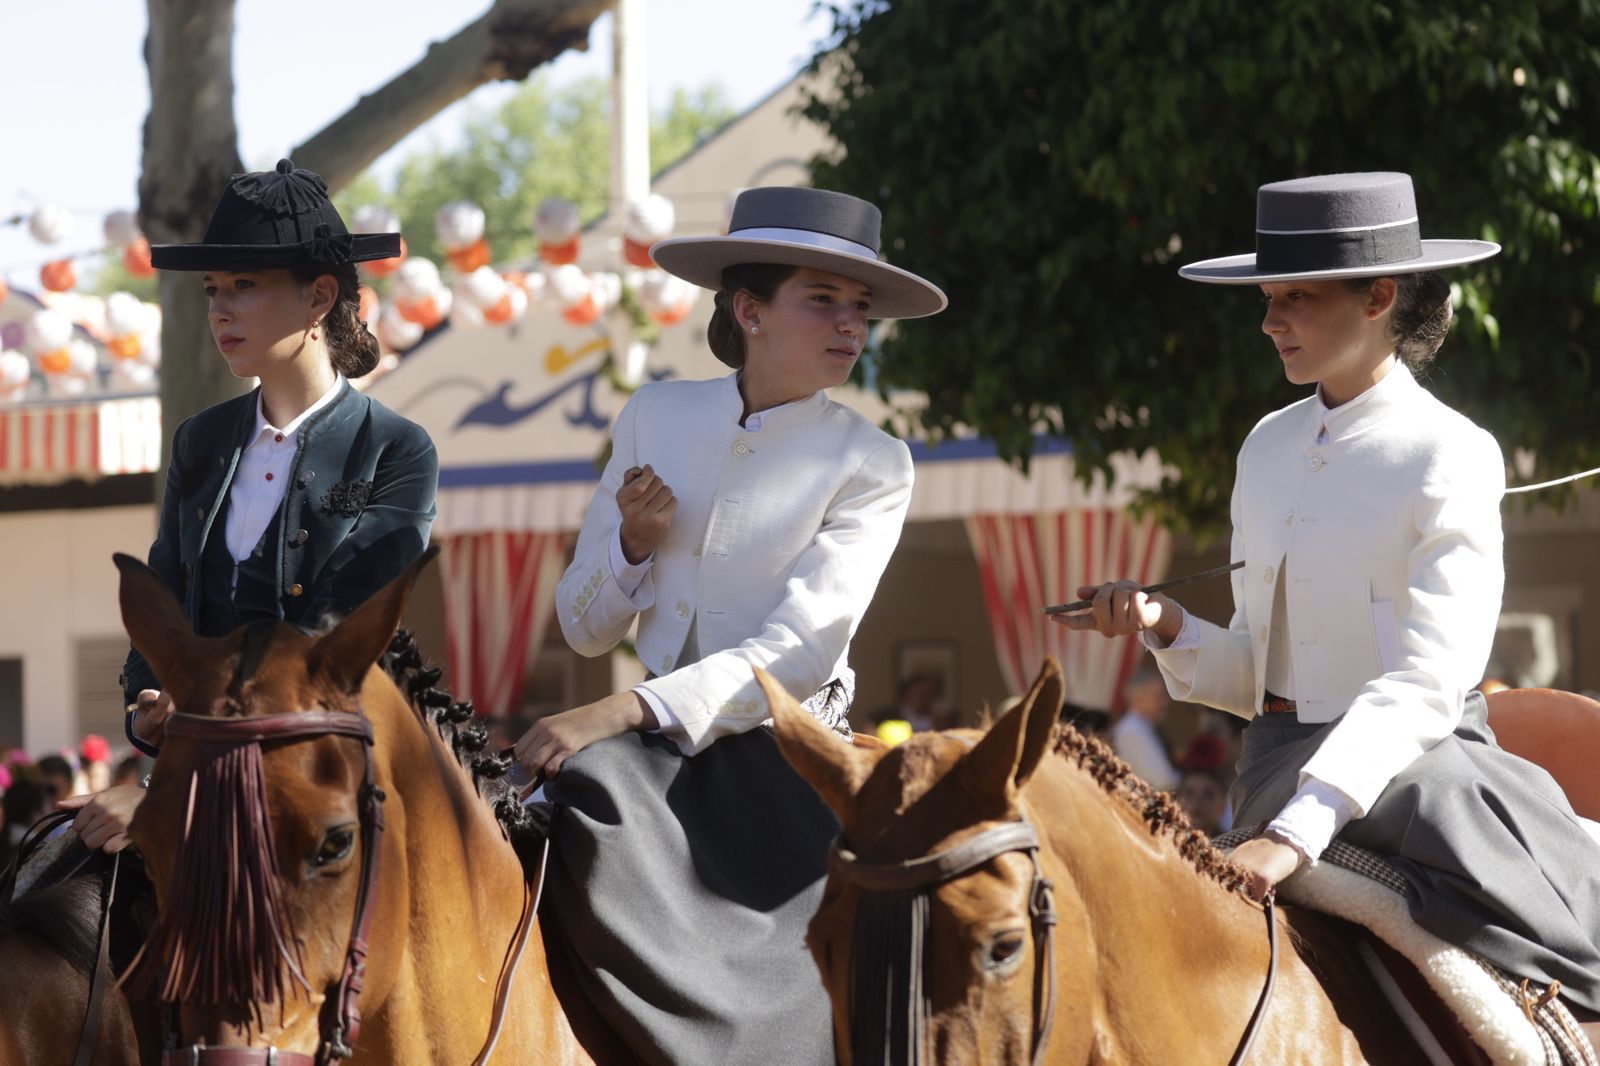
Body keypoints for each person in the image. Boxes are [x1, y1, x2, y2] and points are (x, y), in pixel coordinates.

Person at [1057, 172, 1600, 1018]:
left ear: (1381, 295)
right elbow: (1264, 680)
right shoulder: (1265, 449)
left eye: (1296, 299)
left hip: (1423, 789)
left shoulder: (1451, 452)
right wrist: (1165, 625)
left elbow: (1428, 683)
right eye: (1268, 298)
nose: (1270, 321)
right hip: (1270, 773)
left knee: (1567, 978)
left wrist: (1293, 838)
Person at [512, 185, 945, 1063]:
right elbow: (583, 627)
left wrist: (621, 712)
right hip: (644, 765)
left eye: (860, 307)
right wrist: (632, 545)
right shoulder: (654, 416)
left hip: (793, 760)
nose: (850, 325)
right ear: (749, 309)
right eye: (822, 299)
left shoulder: (873, 462)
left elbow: (800, 651)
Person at [59, 159, 438, 853]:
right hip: (193, 755)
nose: (219, 309)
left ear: (319, 296)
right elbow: (165, 588)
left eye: (244, 286)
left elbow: (337, 627)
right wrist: (147, 700)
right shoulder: (199, 442)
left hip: (326, 776)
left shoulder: (397, 449)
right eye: (212, 290)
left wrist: (182, 751)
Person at [1110, 664, 1180, 790]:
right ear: (1138, 698)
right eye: (1158, 696)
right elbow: (1163, 781)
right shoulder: (1132, 729)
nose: (1165, 703)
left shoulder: (1140, 727)